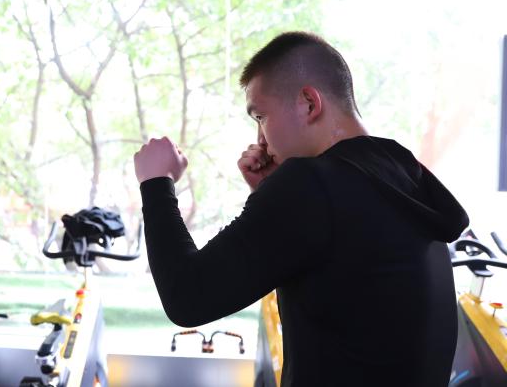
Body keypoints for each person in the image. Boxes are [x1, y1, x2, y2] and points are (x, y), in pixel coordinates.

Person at [133, 31, 468, 387]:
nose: (261, 140)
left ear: (309, 103)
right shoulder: (400, 172)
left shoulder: (311, 184)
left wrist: (156, 183)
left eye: (261, 116)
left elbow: (188, 297)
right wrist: (269, 195)